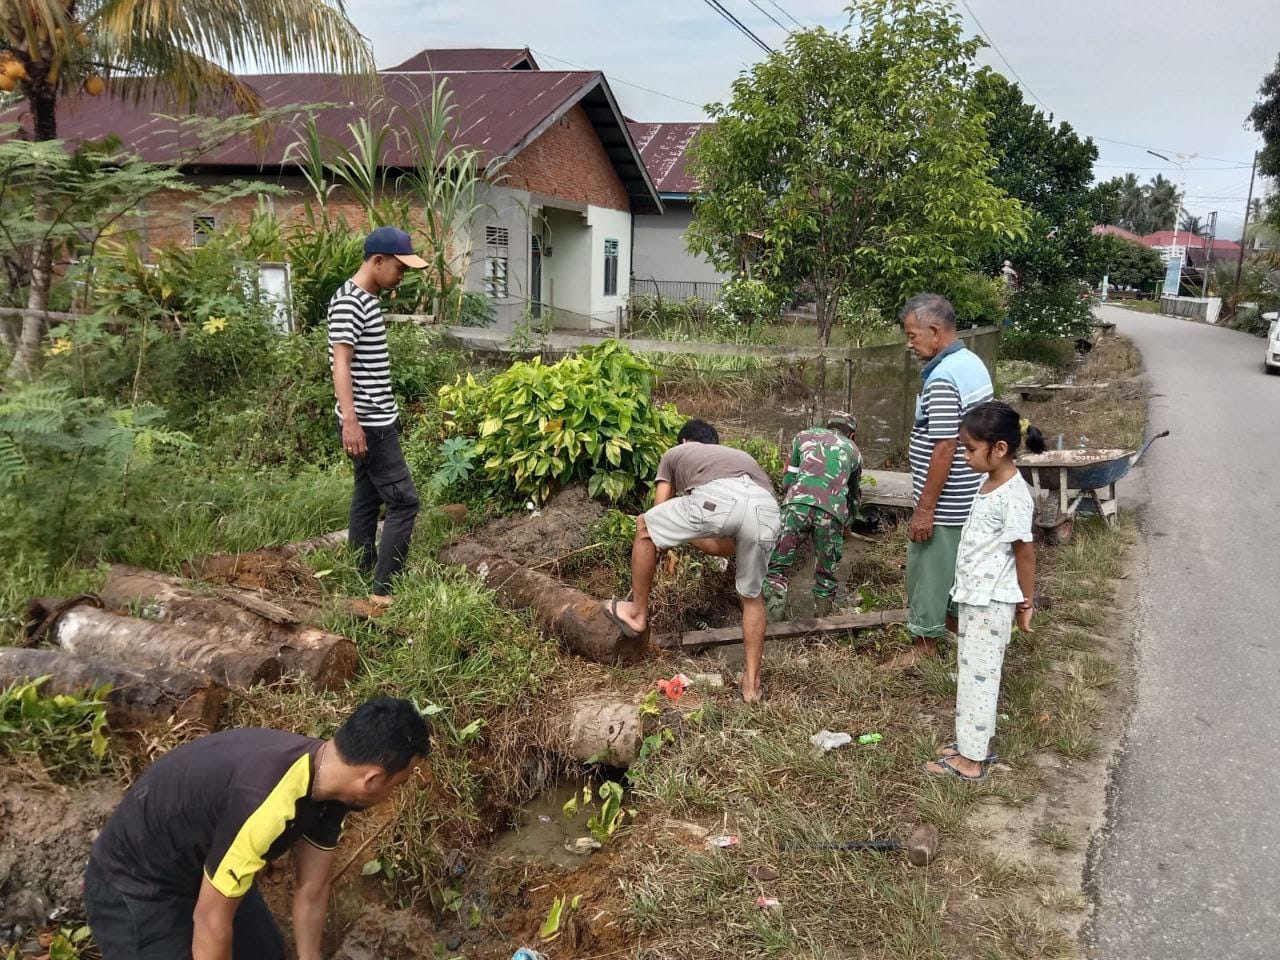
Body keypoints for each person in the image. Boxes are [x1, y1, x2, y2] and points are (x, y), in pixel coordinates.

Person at [84, 697, 431, 960]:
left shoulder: (331, 784)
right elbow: (209, 921)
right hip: (137, 886)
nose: (393, 795)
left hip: (207, 870)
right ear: (371, 778)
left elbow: (311, 889)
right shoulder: (265, 800)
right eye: (397, 784)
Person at [603, 419, 781, 702]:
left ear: (684, 442)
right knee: (752, 595)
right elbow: (724, 547)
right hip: (767, 509)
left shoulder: (676, 454)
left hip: (719, 499)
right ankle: (751, 686)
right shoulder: (740, 458)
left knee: (644, 528)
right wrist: (686, 535)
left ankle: (636, 614)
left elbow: (658, 511)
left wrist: (665, 540)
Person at [924, 402, 1042, 780]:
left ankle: (972, 762)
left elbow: (1025, 552)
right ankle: (969, 741)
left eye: (970, 449)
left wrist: (1027, 602)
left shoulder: (1014, 496)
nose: (964, 455)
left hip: (992, 601)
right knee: (972, 671)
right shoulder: (989, 481)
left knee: (981, 679)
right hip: (975, 596)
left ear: (1000, 449)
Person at [888, 292, 994, 670]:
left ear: (935, 331)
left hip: (947, 499)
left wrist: (924, 509)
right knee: (955, 566)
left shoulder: (944, 379)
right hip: (970, 492)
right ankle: (954, 627)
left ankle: (923, 646)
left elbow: (944, 448)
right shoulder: (970, 363)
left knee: (927, 569)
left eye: (913, 335)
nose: (909, 343)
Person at [329, 226, 429, 607]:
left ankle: (360, 570)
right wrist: (352, 421)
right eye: (399, 268)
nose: (401, 276)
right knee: (404, 502)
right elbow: (341, 363)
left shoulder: (365, 299)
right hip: (369, 422)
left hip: (374, 418)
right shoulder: (350, 303)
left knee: (367, 495)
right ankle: (385, 591)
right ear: (377, 261)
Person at [763, 412, 864, 618]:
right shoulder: (854, 450)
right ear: (852, 435)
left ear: (827, 426)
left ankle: (774, 623)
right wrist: (847, 523)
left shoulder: (802, 436)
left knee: (776, 566)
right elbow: (854, 497)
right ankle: (820, 629)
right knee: (825, 574)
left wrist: (793, 500)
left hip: (796, 507)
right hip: (831, 513)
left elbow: (788, 479)